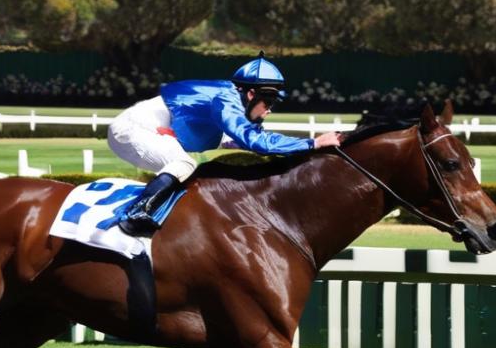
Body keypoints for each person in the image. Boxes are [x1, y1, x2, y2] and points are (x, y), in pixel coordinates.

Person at [107, 52, 341, 237]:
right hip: (132, 129)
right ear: (250, 94)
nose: (269, 110)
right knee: (183, 163)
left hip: (155, 127)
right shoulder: (226, 98)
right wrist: (313, 143)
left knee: (208, 152)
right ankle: (136, 213)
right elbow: (257, 141)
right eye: (268, 101)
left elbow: (251, 139)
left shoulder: (232, 98)